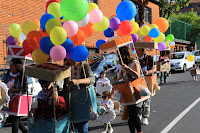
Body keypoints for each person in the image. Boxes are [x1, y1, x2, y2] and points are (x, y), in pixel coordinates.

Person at [63, 58, 95, 133]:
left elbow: (92, 79)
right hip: (71, 101)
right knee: (74, 128)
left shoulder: (84, 65)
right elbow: (61, 83)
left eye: (72, 59)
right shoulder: (65, 67)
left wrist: (78, 81)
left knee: (83, 128)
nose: (71, 61)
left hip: (83, 99)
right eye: (69, 60)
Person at [116, 46, 142, 133]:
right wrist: (118, 75)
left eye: (120, 55)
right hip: (127, 93)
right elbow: (119, 78)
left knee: (134, 115)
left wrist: (128, 69)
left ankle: (139, 131)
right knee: (130, 116)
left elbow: (137, 75)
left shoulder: (134, 62)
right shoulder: (121, 65)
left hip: (136, 91)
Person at [3, 58, 27, 133]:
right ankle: (25, 131)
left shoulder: (22, 76)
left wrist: (15, 90)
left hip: (18, 100)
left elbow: (24, 89)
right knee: (13, 117)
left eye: (11, 65)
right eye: (9, 65)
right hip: (9, 99)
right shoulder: (8, 74)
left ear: (17, 66)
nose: (10, 67)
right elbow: (4, 84)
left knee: (15, 118)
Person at [136, 48, 156, 125]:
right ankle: (140, 113)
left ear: (141, 50)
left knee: (147, 99)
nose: (136, 52)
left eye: (137, 50)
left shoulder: (149, 58)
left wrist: (149, 72)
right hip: (138, 81)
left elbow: (154, 68)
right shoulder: (135, 59)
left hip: (147, 80)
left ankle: (145, 116)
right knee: (139, 99)